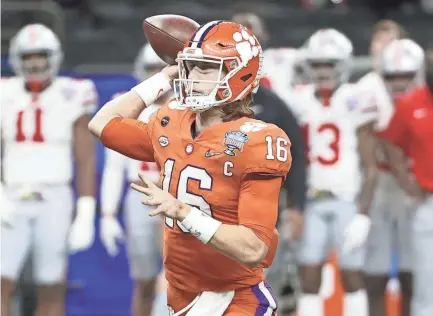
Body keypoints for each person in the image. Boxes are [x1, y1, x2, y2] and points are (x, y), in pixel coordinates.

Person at [89, 21, 291, 315]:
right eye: (190, 67)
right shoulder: (172, 120)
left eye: (205, 68)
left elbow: (252, 249)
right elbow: (102, 124)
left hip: (234, 299)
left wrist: (183, 212)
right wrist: (161, 79)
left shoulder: (258, 140)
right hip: (181, 297)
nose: (193, 77)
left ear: (239, 73)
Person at [0, 23, 97, 316]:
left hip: (55, 196)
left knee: (52, 284)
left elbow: (85, 156)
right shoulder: (5, 91)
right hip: (11, 196)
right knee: (1, 281)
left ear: (54, 56)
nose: (35, 62)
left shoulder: (74, 92)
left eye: (40, 55)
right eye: (28, 56)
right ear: (17, 58)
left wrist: (86, 209)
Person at [290, 28, 368, 316]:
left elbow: (369, 154)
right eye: (317, 64)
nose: (323, 71)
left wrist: (364, 210)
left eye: (329, 64)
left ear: (343, 65)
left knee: (353, 272)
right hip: (311, 197)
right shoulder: (299, 99)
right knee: (309, 272)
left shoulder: (355, 97)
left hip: (347, 196)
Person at [99, 43, 169, 316]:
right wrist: (107, 213)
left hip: (175, 195)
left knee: (177, 276)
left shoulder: (187, 106)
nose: (156, 78)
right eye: (151, 71)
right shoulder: (127, 105)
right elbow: (115, 166)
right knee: (144, 280)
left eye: (160, 71)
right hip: (139, 195)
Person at [355, 21, 414, 316]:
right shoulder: (366, 87)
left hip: (415, 181)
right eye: (379, 44)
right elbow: (366, 143)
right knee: (375, 269)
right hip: (380, 180)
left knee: (413, 267)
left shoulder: (421, 86)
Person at [378, 44, 433, 316]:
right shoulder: (412, 102)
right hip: (428, 202)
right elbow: (389, 143)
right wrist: (406, 179)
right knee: (426, 288)